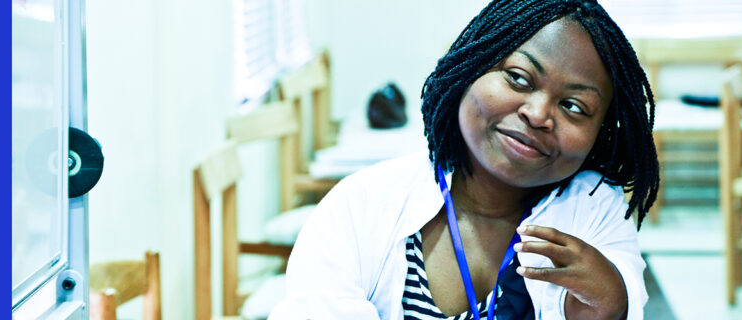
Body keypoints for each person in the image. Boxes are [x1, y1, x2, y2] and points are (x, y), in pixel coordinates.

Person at [269, 0, 658, 319]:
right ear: (470, 68)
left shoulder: (593, 211)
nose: (538, 114)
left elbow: (619, 296)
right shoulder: (361, 205)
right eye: (519, 79)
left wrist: (612, 303)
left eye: (574, 106)